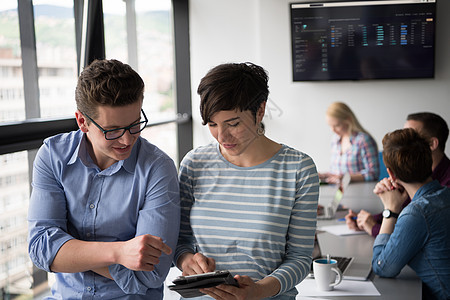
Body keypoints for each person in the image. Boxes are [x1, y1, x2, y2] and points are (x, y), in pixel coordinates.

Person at [28, 59, 180, 299]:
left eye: (134, 125)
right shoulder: (53, 156)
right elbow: (40, 249)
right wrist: (119, 252)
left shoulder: (158, 168)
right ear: (82, 122)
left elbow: (151, 274)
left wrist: (70, 249)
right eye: (113, 130)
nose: (127, 140)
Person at [174, 62, 319, 300]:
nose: (222, 136)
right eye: (212, 124)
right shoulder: (194, 163)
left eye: (233, 124)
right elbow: (181, 241)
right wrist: (187, 260)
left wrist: (260, 290)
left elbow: (300, 258)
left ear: (260, 111)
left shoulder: (298, 169)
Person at [371, 128, 450, 299]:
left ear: (390, 173)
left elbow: (382, 267)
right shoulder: (445, 195)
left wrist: (390, 211)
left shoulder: (416, 214)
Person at [345, 112, 450, 236]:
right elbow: (400, 211)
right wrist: (365, 220)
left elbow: (411, 234)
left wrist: (374, 227)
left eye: (412, 136)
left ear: (432, 144)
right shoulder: (414, 174)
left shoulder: (445, 185)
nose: (404, 139)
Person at [319, 102, 379, 184]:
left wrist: (346, 178)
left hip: (358, 192)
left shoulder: (364, 140)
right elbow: (337, 174)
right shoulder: (335, 140)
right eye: (330, 126)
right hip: (337, 192)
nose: (333, 130)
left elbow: (373, 173)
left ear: (348, 120)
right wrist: (324, 176)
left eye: (337, 125)